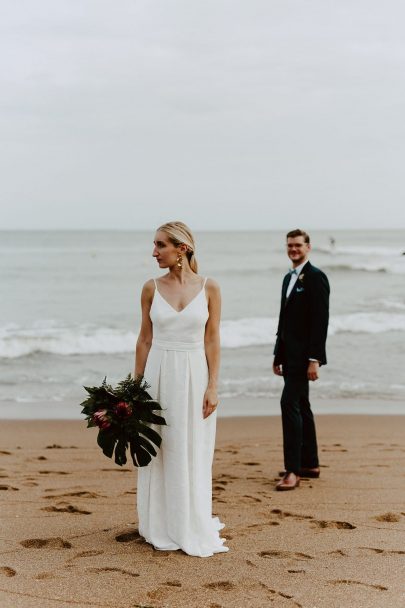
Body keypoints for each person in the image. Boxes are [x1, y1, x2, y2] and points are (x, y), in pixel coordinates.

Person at [134, 221, 228, 557]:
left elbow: (212, 339)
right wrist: (135, 387)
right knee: (159, 447)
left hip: (193, 375)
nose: (154, 251)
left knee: (191, 446)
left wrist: (213, 386)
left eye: (160, 245)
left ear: (182, 249)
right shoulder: (150, 287)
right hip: (158, 374)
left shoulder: (210, 288)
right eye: (155, 244)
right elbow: (145, 339)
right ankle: (158, 522)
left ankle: (189, 520)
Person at [273, 229, 330, 491]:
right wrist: (278, 354)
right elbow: (284, 320)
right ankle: (310, 463)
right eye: (289, 245)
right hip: (289, 355)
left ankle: (293, 471)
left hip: (304, 357)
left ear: (308, 247)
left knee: (289, 404)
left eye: (297, 245)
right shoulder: (288, 278)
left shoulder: (316, 278)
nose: (293, 249)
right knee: (302, 406)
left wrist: (314, 359)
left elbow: (320, 322)